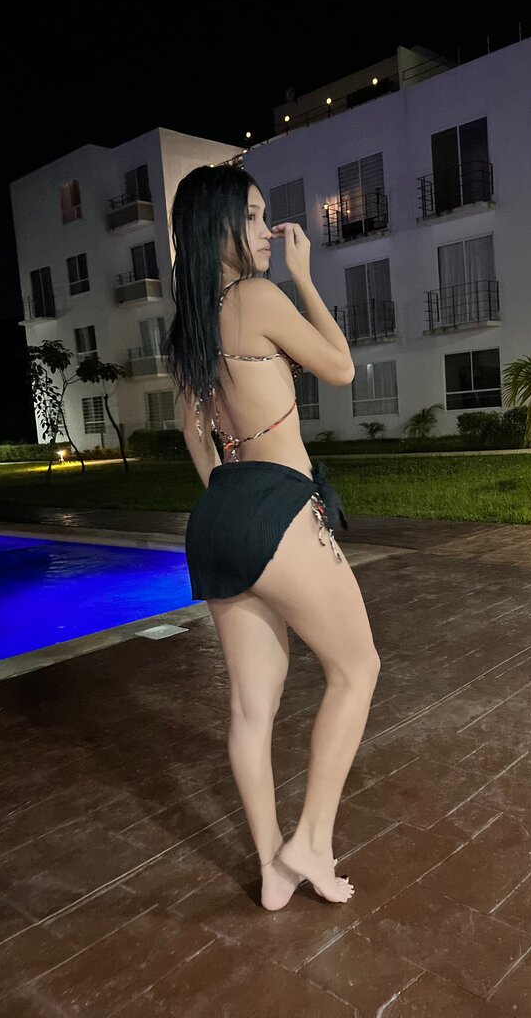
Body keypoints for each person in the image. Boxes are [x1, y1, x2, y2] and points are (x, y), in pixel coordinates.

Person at [165, 164, 381, 910]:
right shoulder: (254, 298)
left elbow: (197, 441)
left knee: (251, 710)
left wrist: (234, 505)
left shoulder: (189, 328)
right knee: (357, 668)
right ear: (219, 226)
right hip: (275, 505)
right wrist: (305, 278)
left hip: (217, 517)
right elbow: (341, 367)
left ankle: (271, 871)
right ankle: (311, 841)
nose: (267, 230)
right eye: (254, 217)